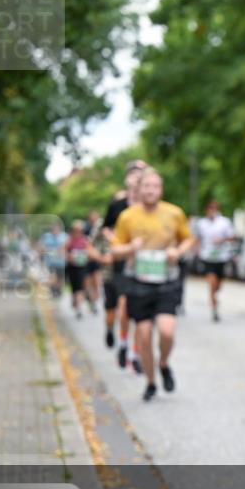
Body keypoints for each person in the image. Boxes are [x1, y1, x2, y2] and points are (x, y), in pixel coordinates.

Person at [111, 167, 196, 402]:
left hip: (166, 279)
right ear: (139, 190)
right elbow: (115, 250)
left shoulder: (174, 213)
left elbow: (188, 239)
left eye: (155, 186)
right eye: (146, 186)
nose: (150, 190)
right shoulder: (128, 216)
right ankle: (150, 381)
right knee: (145, 336)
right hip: (138, 282)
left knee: (167, 331)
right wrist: (130, 248)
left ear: (161, 189)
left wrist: (176, 252)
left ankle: (164, 363)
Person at [102, 160, 146, 372]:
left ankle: (136, 353)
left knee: (142, 312)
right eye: (133, 174)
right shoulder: (118, 205)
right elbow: (105, 228)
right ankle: (122, 342)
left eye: (141, 174)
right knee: (123, 306)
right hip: (122, 262)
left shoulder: (150, 205)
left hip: (144, 263)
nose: (137, 178)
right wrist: (117, 243)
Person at [194, 200, 237, 322]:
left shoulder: (224, 222)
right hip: (207, 257)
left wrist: (221, 240)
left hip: (222, 257)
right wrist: (197, 249)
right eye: (209, 208)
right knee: (212, 282)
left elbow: (232, 237)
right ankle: (214, 307)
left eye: (214, 208)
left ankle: (214, 294)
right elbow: (197, 238)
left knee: (219, 284)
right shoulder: (201, 223)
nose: (211, 211)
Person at [65, 220, 103, 319]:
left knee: (84, 287)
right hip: (72, 268)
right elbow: (63, 252)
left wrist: (87, 256)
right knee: (76, 288)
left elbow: (92, 253)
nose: (78, 233)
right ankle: (79, 304)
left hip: (83, 268)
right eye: (76, 230)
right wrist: (70, 257)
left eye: (80, 230)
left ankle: (84, 307)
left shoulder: (85, 240)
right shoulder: (69, 241)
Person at [83, 210, 103, 314]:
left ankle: (94, 302)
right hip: (86, 260)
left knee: (97, 282)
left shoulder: (100, 228)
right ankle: (91, 302)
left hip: (95, 259)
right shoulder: (85, 228)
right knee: (88, 283)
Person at [39, 223, 67, 298]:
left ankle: (58, 290)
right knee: (52, 277)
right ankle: (53, 290)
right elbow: (42, 248)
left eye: (56, 229)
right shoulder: (47, 236)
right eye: (53, 229)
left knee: (60, 278)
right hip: (50, 262)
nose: (55, 231)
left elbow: (65, 247)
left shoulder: (64, 236)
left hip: (61, 262)